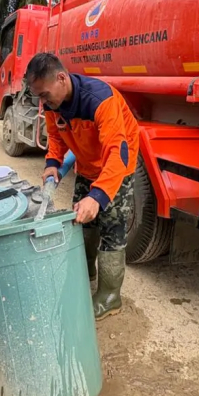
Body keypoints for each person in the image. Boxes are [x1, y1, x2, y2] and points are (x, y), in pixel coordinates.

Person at [26, 53, 139, 320]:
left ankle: (110, 296)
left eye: (44, 95)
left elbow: (117, 154)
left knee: (111, 229)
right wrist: (52, 163)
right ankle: (84, 273)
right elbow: (56, 136)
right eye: (38, 97)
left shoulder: (101, 100)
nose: (43, 102)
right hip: (88, 166)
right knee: (82, 220)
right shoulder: (53, 104)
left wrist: (98, 196)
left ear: (61, 78)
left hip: (117, 170)